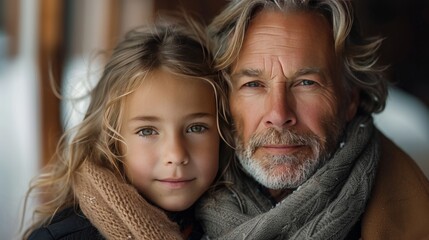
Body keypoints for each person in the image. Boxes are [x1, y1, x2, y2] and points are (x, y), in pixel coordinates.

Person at [196, 0, 429, 239]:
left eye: (306, 83)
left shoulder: (415, 217)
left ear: (350, 99)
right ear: (223, 97)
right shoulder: (170, 204)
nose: (279, 115)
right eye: (253, 84)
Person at [23, 13, 232, 240]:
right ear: (111, 140)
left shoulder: (241, 223)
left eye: (196, 128)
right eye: (147, 131)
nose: (176, 155)